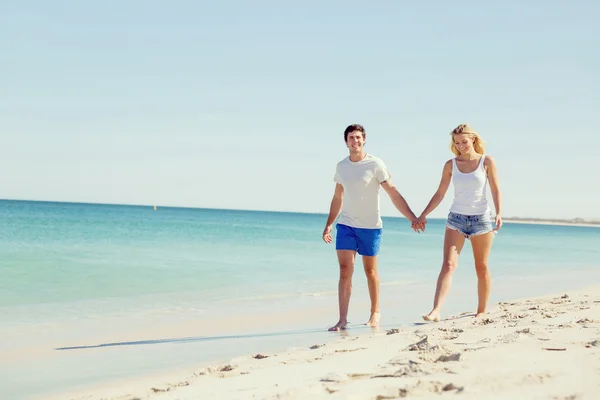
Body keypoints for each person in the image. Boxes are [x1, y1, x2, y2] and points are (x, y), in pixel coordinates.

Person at [322, 124, 422, 331]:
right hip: (346, 224)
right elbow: (337, 197)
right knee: (344, 270)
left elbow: (392, 192)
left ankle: (375, 312)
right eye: (351, 138)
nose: (355, 141)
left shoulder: (375, 164)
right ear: (346, 141)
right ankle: (342, 319)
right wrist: (329, 224)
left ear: (364, 140)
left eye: (358, 137)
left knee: (370, 271)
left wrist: (412, 217)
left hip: (370, 226)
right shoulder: (342, 166)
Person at [415, 123, 502, 322]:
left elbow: (496, 189)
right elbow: (440, 194)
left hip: (481, 219)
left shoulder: (486, 161)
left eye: (464, 141)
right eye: (457, 142)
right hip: (456, 219)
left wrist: (499, 213)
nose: (461, 145)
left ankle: (481, 310)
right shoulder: (450, 165)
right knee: (448, 265)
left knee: (481, 266)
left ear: (473, 139)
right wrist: (423, 214)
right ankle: (436, 310)